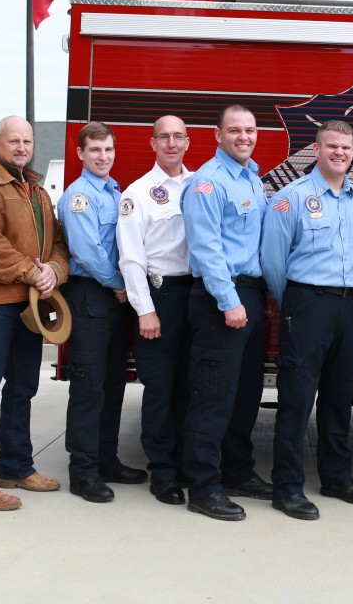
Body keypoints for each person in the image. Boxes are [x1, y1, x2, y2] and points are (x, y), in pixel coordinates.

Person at [260, 120, 353, 521]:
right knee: (297, 398)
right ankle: (287, 487)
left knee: (339, 396)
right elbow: (273, 260)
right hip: (306, 303)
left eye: (346, 147)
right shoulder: (290, 199)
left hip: (348, 306)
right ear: (316, 148)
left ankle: (336, 477)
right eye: (331, 146)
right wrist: (289, 300)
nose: (339, 153)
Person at [0, 115, 70, 511]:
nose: (21, 147)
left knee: (24, 388)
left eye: (27, 141)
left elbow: (57, 241)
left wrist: (54, 270)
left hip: (30, 304)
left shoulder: (36, 191)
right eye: (13, 141)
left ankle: (16, 467)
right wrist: (33, 272)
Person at [181, 105, 273, 521]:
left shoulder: (252, 179)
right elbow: (206, 248)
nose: (243, 136)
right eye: (234, 130)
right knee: (213, 395)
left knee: (245, 394)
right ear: (217, 135)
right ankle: (203, 485)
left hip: (249, 298)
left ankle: (237, 471)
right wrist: (229, 301)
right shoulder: (208, 182)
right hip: (223, 300)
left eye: (250, 130)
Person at [56, 121, 147, 503]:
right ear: (80, 154)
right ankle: (83, 471)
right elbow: (88, 252)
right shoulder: (79, 196)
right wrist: (119, 284)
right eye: (95, 150)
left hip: (113, 300)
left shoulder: (113, 192)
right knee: (89, 386)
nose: (103, 157)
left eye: (108, 150)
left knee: (112, 383)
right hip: (92, 296)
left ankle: (107, 459)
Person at [116, 115, 195, 507]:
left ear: (188, 142)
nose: (171, 143)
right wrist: (144, 311)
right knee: (161, 387)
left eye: (177, 136)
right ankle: (162, 471)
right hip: (160, 296)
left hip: (196, 296)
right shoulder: (138, 193)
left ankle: (184, 463)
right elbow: (131, 259)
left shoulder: (201, 184)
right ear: (152, 144)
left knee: (190, 385)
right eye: (163, 137)